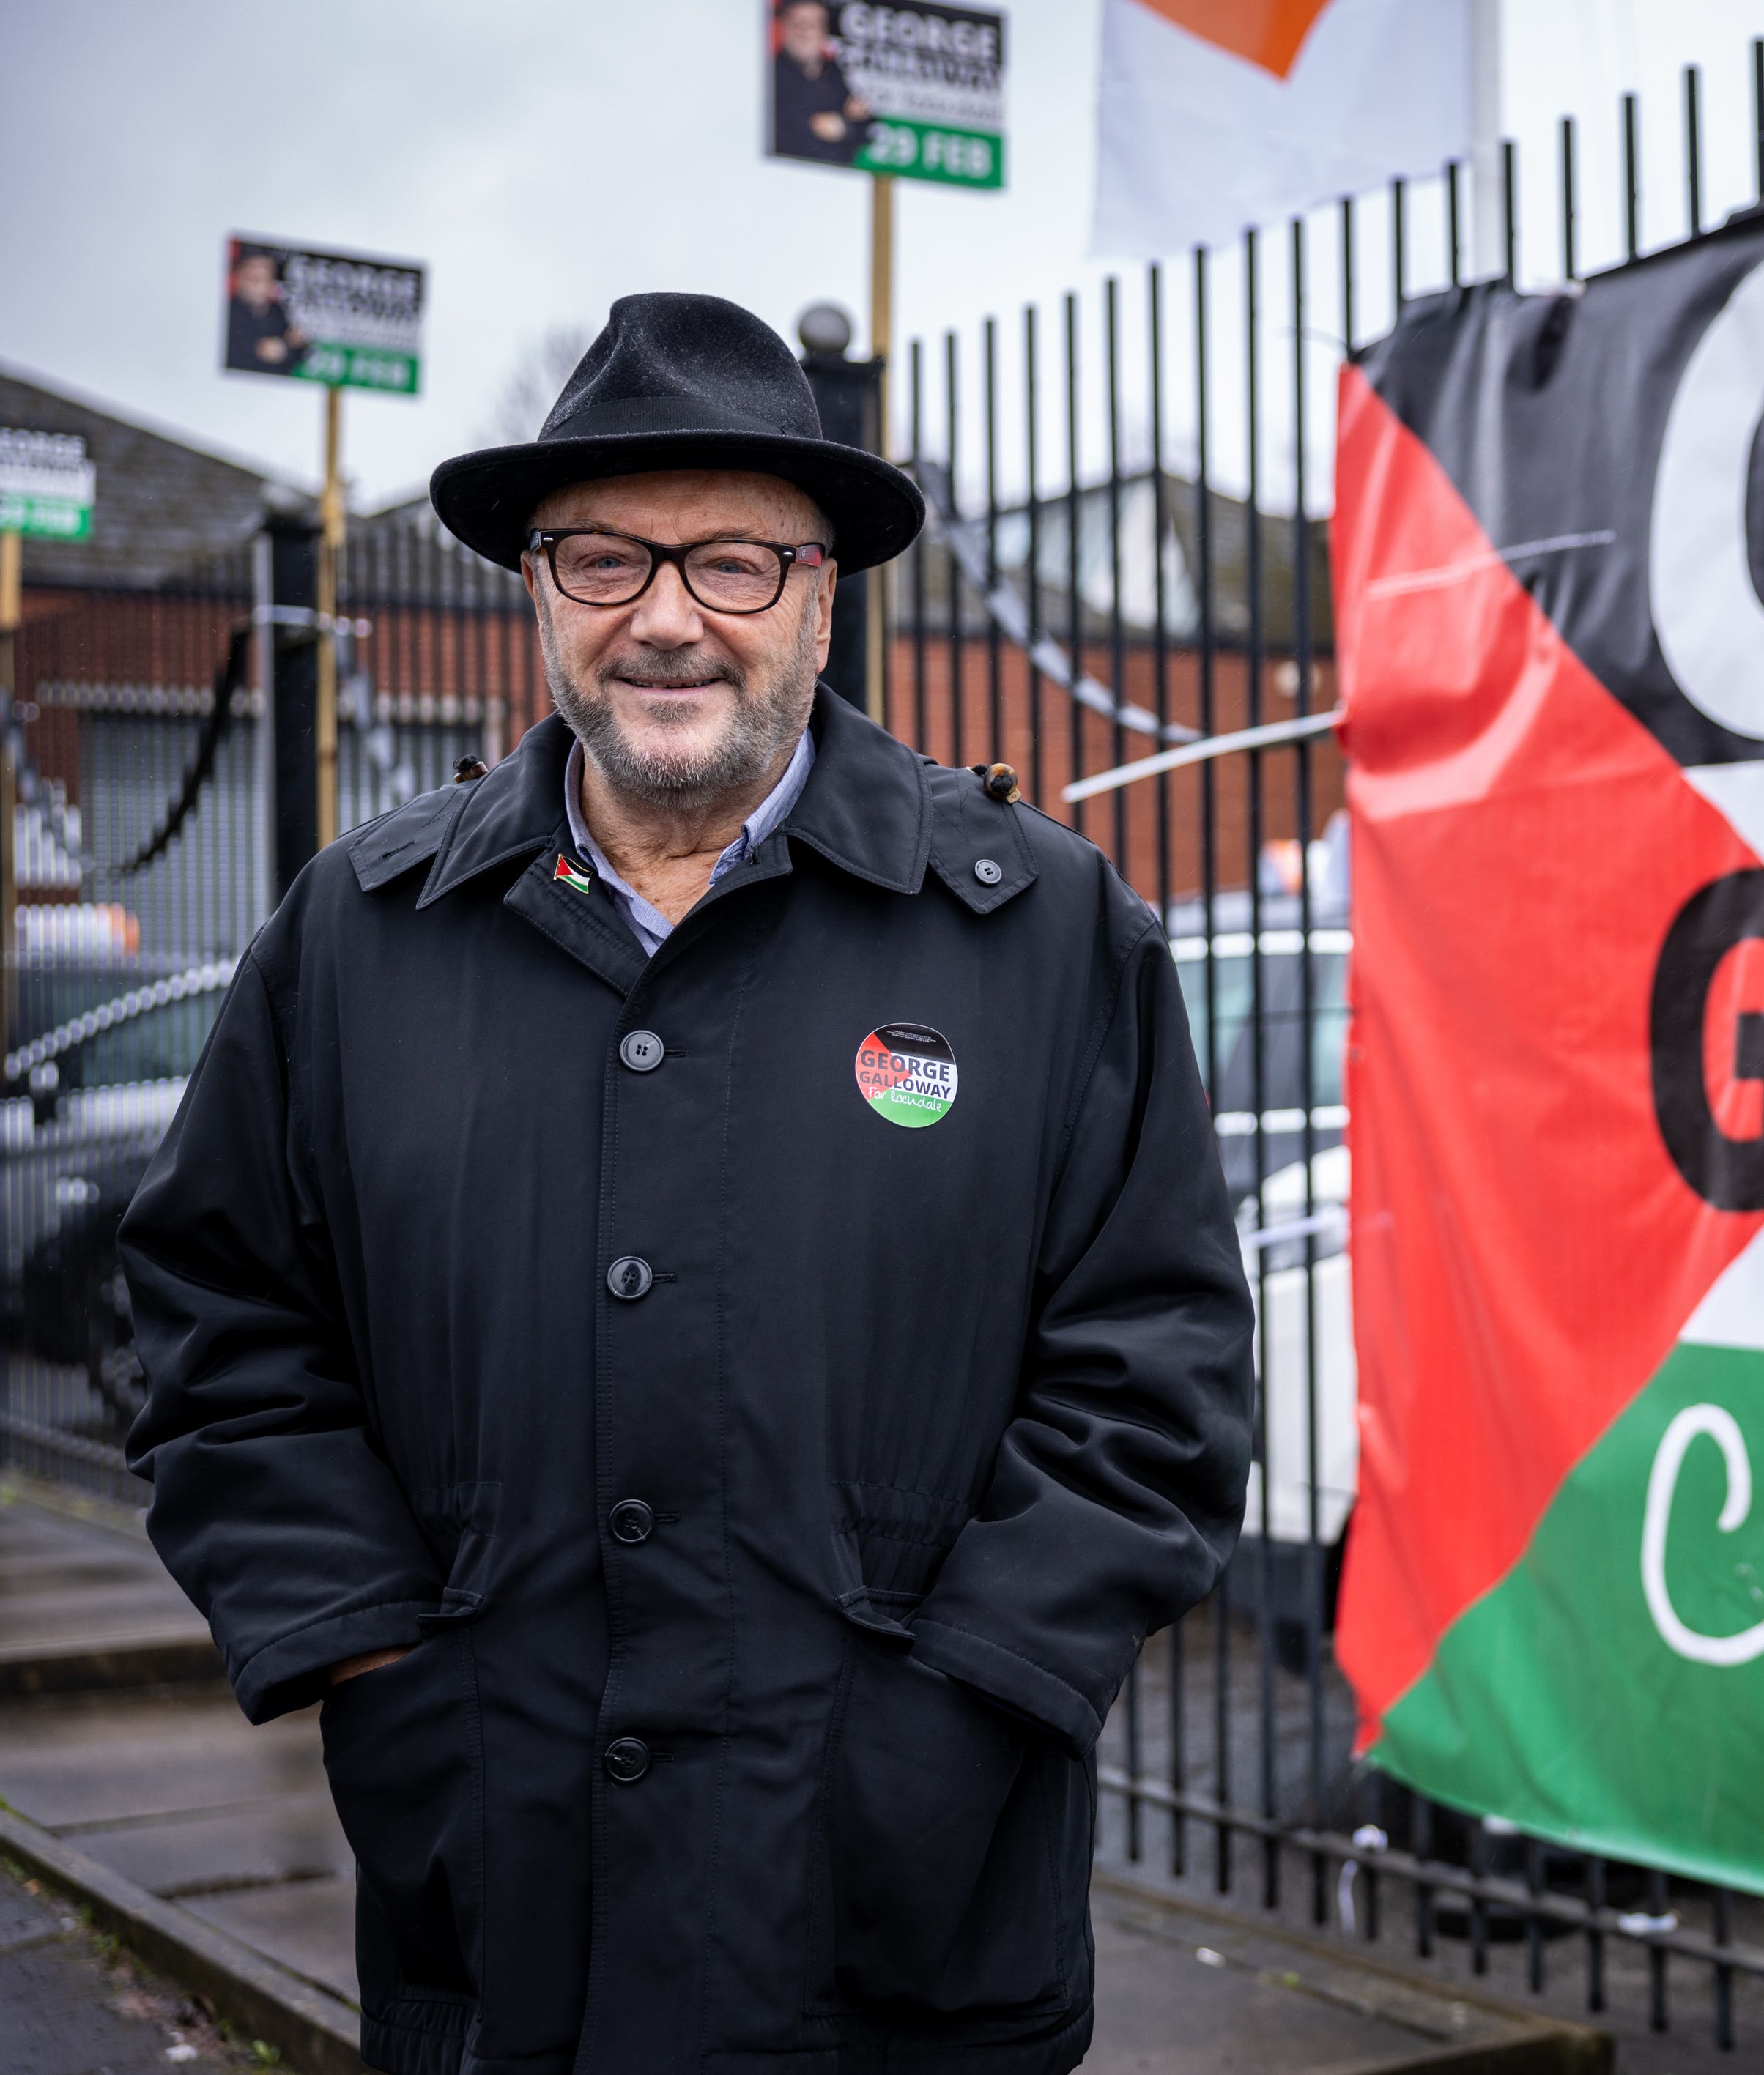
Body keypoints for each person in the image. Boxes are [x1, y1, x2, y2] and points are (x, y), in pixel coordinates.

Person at [122, 293, 1254, 2074]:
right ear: (537, 589)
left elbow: (1156, 1377)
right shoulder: (359, 934)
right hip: (504, 1926)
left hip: (910, 1941)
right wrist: (376, 1671)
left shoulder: (1044, 933)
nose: (664, 616)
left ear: (820, 591)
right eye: (601, 557)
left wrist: (951, 1713)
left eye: (730, 561)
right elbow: (218, 1326)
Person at [771, 0, 872, 166]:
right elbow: (794, 137)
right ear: (784, 27)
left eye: (812, 25)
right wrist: (846, 120)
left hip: (838, 181)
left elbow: (868, 127)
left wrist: (843, 125)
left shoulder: (834, 74)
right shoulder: (772, 75)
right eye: (797, 24)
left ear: (823, 32)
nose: (804, 32)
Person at [223, 247, 305, 376]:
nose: (258, 284)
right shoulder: (227, 312)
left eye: (264, 277)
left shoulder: (278, 314)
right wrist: (284, 347)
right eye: (253, 277)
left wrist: (286, 349)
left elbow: (301, 351)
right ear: (239, 277)